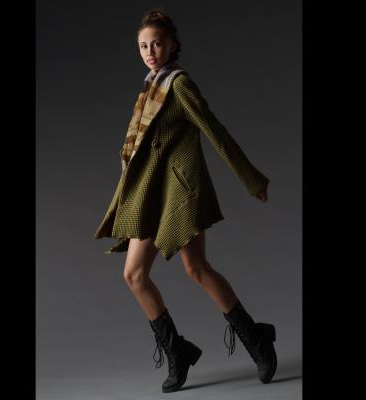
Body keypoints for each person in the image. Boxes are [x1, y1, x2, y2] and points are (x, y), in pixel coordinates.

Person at [93, 8, 277, 393]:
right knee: (134, 275)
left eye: (157, 44)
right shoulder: (149, 88)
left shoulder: (178, 85)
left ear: (173, 45)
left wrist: (250, 178)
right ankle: (177, 350)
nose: (150, 52)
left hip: (179, 192)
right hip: (150, 194)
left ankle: (256, 338)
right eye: (143, 46)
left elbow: (214, 130)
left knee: (196, 269)